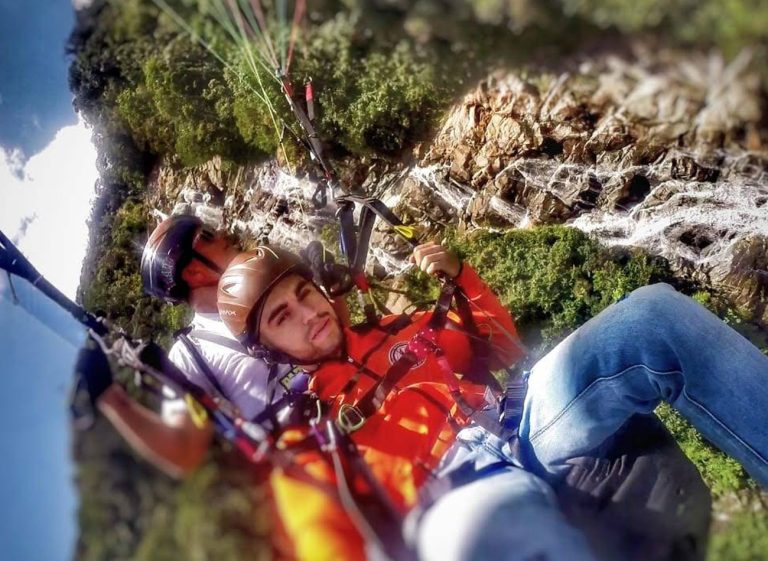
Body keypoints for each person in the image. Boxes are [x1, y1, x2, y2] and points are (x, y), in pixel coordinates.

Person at [216, 241, 768, 561]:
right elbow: (326, 542)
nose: (309, 314)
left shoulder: (397, 329)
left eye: (304, 293)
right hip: (455, 493)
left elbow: (499, 346)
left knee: (650, 317)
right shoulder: (305, 435)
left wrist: (462, 277)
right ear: (270, 350)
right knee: (486, 530)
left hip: (519, 427)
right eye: (283, 316)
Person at [91, 214, 347, 477]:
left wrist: (332, 289)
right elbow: (185, 450)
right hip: (316, 462)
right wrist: (111, 398)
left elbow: (342, 341)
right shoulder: (189, 353)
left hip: (356, 398)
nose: (224, 231)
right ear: (193, 272)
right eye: (208, 235)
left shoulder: (274, 286)